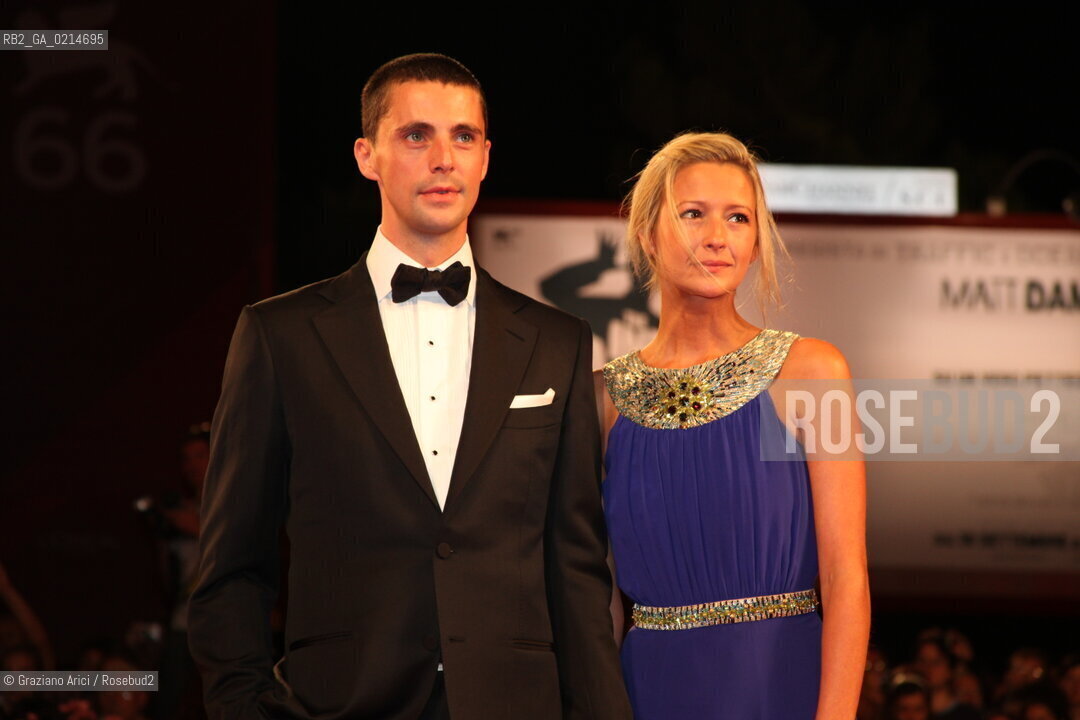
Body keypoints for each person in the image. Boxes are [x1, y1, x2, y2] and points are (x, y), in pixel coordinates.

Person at [187, 53, 631, 720]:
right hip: (342, 702)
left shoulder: (556, 340)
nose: (443, 159)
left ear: (485, 158)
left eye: (463, 137)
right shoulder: (281, 335)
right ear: (367, 156)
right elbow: (232, 566)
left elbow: (575, 570)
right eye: (416, 135)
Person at [598, 132, 870, 719]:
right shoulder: (605, 400)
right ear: (646, 235)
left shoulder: (813, 372)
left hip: (781, 689)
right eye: (692, 214)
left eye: (738, 218)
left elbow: (845, 578)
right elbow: (601, 602)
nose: (717, 237)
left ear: (755, 243)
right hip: (648, 693)